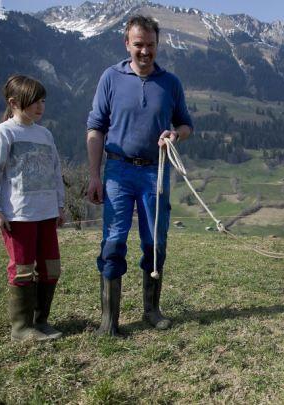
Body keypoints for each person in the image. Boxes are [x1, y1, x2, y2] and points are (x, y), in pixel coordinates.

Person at [86, 15, 193, 336]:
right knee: (114, 241)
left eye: (151, 45)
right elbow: (95, 128)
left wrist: (176, 136)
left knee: (155, 243)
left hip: (154, 172)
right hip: (117, 170)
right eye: (139, 45)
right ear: (126, 44)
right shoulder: (110, 77)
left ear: (157, 45)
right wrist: (94, 175)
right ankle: (109, 320)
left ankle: (152, 310)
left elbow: (186, 125)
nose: (145, 51)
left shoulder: (170, 83)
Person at [0, 75, 66, 342]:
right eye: (34, 102)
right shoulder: (4, 132)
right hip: (18, 215)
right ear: (14, 102)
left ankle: (41, 321)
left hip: (46, 213)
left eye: (43, 101)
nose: (40, 107)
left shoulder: (45, 134)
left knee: (51, 267)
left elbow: (55, 172)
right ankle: (21, 327)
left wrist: (59, 205)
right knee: (23, 268)